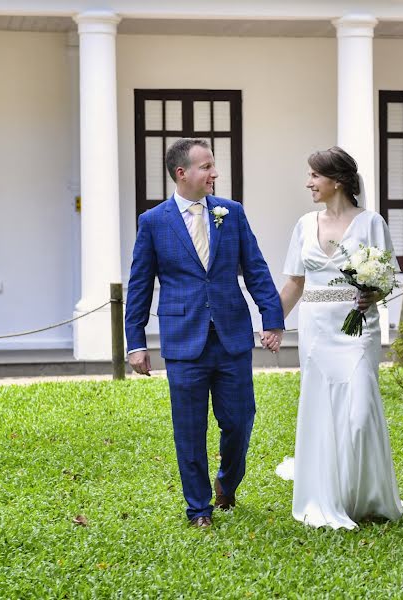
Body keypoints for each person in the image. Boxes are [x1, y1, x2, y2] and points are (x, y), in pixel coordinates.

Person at [125, 138, 284, 529]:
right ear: (183, 173)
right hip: (183, 340)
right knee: (190, 429)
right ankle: (198, 508)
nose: (215, 173)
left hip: (230, 335)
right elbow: (140, 285)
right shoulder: (153, 222)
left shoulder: (231, 213)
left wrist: (272, 318)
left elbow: (257, 269)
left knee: (240, 420)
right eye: (207, 166)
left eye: (213, 166)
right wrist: (136, 342)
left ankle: (227, 482)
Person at [275, 146, 403, 529]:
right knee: (322, 411)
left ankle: (363, 495)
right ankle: (328, 498)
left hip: (357, 327)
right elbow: (294, 283)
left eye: (315, 175)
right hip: (316, 329)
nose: (308, 182)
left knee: (360, 415)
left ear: (338, 180)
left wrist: (373, 292)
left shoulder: (371, 223)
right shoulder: (303, 224)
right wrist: (272, 324)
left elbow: (387, 279)